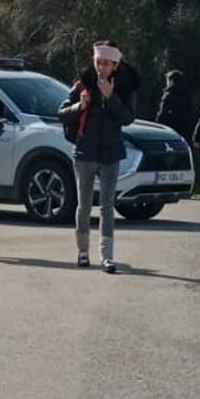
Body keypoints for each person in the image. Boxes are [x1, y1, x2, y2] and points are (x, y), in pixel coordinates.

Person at [59, 41, 138, 272]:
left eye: (106, 63)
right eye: (98, 62)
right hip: (85, 152)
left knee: (106, 206)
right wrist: (79, 107)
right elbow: (61, 113)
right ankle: (83, 252)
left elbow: (128, 118)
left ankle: (107, 256)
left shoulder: (125, 87)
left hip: (111, 153)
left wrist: (110, 97)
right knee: (83, 204)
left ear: (115, 64)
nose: (101, 67)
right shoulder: (82, 84)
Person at [155, 70, 193, 139]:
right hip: (184, 129)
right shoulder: (187, 95)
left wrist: (157, 125)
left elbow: (163, 113)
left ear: (171, 81)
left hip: (169, 129)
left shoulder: (169, 95)